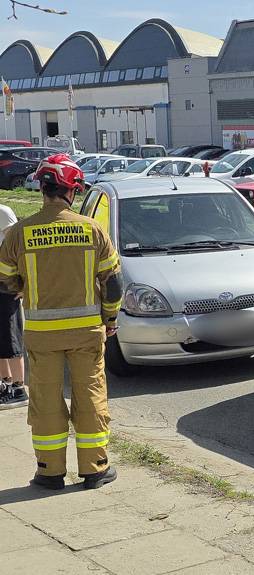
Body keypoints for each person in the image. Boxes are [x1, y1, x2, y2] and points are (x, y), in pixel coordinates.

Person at [0, 154, 123, 491]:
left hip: (41, 336)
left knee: (46, 400)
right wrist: (109, 318)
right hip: (86, 333)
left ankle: (50, 472)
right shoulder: (91, 229)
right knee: (90, 396)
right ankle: (95, 469)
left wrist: (26, 288)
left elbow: (5, 281)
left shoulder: (19, 233)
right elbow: (112, 283)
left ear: (43, 188)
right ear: (72, 189)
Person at [0, 203, 26, 410]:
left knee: (11, 337)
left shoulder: (4, 212)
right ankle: (5, 383)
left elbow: (20, 250)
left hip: (7, 286)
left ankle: (19, 388)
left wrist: (25, 284)